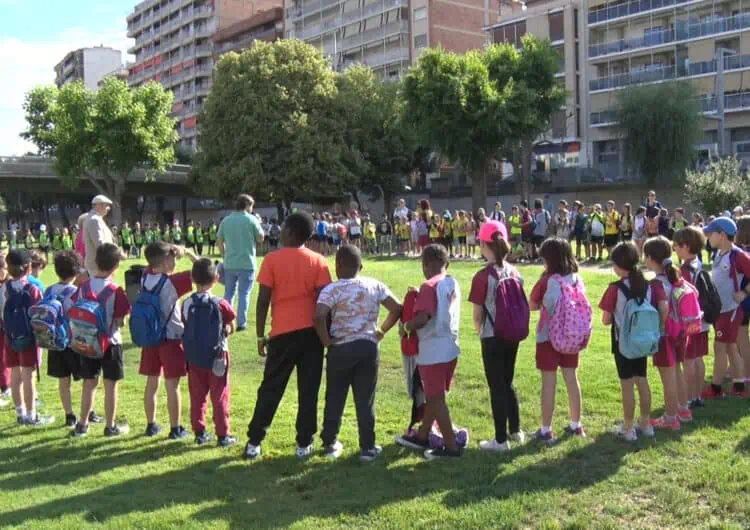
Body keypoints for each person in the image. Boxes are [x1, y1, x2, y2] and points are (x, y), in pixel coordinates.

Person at [245, 212, 332, 461]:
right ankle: (304, 444)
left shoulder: (272, 260)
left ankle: (254, 441)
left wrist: (261, 336)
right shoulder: (318, 261)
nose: (279, 231)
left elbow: (262, 301)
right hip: (311, 336)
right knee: (309, 389)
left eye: (283, 227)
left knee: (271, 388)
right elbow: (324, 303)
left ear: (292, 232)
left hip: (281, 334)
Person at [314, 245, 402, 461]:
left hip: (340, 348)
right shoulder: (374, 285)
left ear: (337, 265)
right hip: (367, 347)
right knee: (365, 399)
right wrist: (381, 330)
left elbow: (318, 317)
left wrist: (327, 342)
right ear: (361, 266)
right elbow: (397, 308)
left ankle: (329, 442)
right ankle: (368, 448)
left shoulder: (331, 290)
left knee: (335, 396)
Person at [396, 244, 463, 460]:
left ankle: (451, 447)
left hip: (432, 349)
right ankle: (423, 434)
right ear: (447, 263)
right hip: (451, 346)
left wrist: (406, 326)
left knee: (435, 398)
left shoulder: (428, 286)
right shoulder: (452, 281)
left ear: (425, 265)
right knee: (436, 397)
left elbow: (423, 318)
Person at [469, 221, 525, 452]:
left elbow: (477, 314)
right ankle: (516, 430)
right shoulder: (515, 271)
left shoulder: (483, 276)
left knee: (496, 386)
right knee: (507, 382)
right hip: (512, 333)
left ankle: (500, 440)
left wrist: (479, 331)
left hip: (492, 335)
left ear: (484, 245)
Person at [69, 244, 131, 438]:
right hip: (110, 343)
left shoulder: (83, 287)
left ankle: (82, 424)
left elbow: (73, 308)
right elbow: (120, 322)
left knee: (89, 383)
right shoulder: (116, 291)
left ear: (95, 263)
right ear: (116, 266)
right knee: (111, 385)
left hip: (86, 342)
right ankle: (110, 426)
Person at [140, 241, 199, 439]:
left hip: (150, 337)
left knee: (152, 381)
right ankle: (176, 428)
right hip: (171, 339)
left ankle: (151, 424)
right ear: (166, 262)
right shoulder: (171, 283)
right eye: (172, 258)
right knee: (172, 385)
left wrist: (170, 252)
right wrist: (189, 253)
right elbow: (203, 270)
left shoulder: (144, 276)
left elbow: (152, 260)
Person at [529, 238, 586, 443]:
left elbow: (533, 304)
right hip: (572, 335)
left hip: (549, 336)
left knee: (548, 381)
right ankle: (575, 424)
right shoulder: (576, 278)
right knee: (572, 378)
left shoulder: (547, 280)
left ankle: (545, 429)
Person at [599, 242, 655, 441]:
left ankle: (628, 428)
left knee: (627, 384)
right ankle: (646, 424)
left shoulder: (615, 288)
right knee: (642, 379)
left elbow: (605, 320)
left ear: (618, 264)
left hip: (623, 342)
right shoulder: (647, 284)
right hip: (643, 339)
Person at [182, 259, 238, 447]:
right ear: (217, 278)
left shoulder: (187, 303)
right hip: (218, 357)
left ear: (192, 278)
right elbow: (232, 322)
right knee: (220, 394)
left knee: (197, 396)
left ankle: (199, 432)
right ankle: (223, 434)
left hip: (194, 357)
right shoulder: (220, 303)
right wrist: (228, 329)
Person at [45, 251, 102, 428]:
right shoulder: (77, 292)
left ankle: (69, 415)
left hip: (55, 342)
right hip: (75, 342)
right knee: (87, 379)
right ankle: (89, 411)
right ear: (77, 271)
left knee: (63, 381)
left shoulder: (49, 290)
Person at [642, 237, 689, 430]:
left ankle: (670, 419)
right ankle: (684, 410)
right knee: (677, 371)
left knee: (667, 377)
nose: (643, 259)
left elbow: (660, 308)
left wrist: (658, 328)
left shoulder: (655, 284)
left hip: (664, 335)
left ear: (652, 258)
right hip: (680, 332)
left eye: (645, 255)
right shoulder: (676, 277)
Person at [702, 217, 750, 399]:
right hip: (720, 310)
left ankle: (715, 388)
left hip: (730, 311)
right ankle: (739, 384)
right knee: (730, 347)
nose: (708, 237)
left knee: (720, 348)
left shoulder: (737, 255)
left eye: (711, 234)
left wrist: (744, 293)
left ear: (721, 235)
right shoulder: (720, 253)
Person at [1, 249, 49, 426]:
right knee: (28, 375)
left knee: (15, 374)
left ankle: (20, 413)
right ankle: (32, 414)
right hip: (29, 337)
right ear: (29, 267)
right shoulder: (33, 289)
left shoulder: (4, 288)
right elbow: (40, 315)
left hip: (10, 335)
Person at [674, 227, 711, 409]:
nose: (675, 249)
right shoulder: (699, 263)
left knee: (689, 359)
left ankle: (689, 397)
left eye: (677, 246)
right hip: (703, 320)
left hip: (690, 320)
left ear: (686, 246)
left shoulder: (684, 270)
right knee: (698, 358)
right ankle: (697, 396)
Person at [217, 195, 265, 333]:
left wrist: (224, 255)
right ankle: (241, 323)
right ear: (247, 205)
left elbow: (219, 240)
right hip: (247, 263)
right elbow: (261, 238)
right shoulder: (252, 219)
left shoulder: (226, 220)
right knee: (244, 293)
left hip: (230, 263)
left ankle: (226, 319)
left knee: (229, 292)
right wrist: (259, 224)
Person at [82, 195, 115, 277]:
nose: (109, 208)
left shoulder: (96, 219)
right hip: (98, 266)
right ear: (99, 205)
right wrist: (117, 253)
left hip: (101, 265)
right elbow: (100, 244)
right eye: (107, 205)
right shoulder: (94, 220)